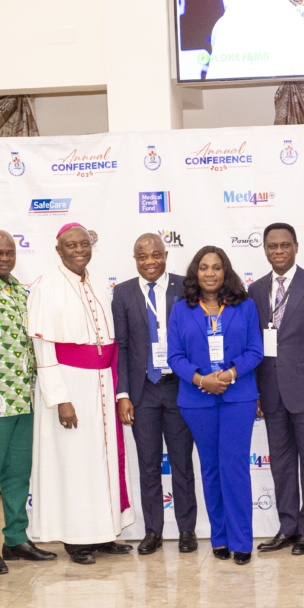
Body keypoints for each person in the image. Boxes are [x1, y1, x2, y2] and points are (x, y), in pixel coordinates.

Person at [26, 223, 135, 565]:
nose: (79, 250)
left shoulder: (97, 283)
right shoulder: (46, 287)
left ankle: (103, 533)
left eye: (84, 244)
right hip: (70, 384)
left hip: (101, 382)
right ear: (58, 250)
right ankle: (77, 540)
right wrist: (61, 399)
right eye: (71, 245)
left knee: (102, 461)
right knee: (74, 462)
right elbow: (44, 349)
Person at [0, 231, 57, 575]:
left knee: (18, 474)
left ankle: (16, 539)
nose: (4, 258)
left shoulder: (21, 291)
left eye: (9, 252)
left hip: (24, 400)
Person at [167, 246, 264, 565]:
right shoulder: (180, 310)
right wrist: (201, 379)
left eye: (217, 267)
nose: (210, 273)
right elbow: (174, 357)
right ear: (195, 273)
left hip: (238, 396)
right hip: (197, 399)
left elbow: (255, 350)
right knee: (210, 468)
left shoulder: (245, 306)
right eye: (204, 267)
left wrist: (230, 373)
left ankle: (241, 540)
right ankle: (220, 537)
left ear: (226, 272)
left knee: (234, 466)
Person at [248, 223, 304, 556]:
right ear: (265, 250)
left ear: (296, 247)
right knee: (281, 464)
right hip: (271, 392)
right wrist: (256, 391)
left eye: (285, 245)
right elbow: (254, 345)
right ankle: (287, 528)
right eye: (272, 246)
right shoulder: (256, 290)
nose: (279, 251)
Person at [113, 234, 198, 556]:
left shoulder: (184, 287)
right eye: (142, 257)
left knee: (182, 463)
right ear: (135, 259)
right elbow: (121, 347)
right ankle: (153, 531)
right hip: (142, 392)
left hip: (179, 388)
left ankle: (187, 530)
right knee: (148, 465)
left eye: (156, 255)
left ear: (165, 255)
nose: (150, 262)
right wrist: (123, 393)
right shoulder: (123, 293)